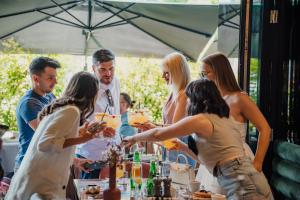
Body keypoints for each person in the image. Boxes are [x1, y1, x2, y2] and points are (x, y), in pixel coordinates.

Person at [123, 79, 272, 199]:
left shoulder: (201, 119)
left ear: (197, 100)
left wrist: (134, 138)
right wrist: (182, 147)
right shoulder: (223, 119)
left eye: (188, 99)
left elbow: (158, 134)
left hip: (242, 181)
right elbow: (208, 162)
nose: (187, 103)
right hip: (248, 177)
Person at [5, 72, 115, 200]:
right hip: (41, 184)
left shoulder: (63, 108)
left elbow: (60, 135)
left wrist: (81, 136)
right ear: (91, 93)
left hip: (38, 181)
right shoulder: (71, 111)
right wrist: (84, 138)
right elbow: (45, 143)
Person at [196, 52, 272, 194]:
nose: (203, 78)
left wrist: (258, 163)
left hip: (238, 160)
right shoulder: (211, 100)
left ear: (219, 72)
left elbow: (265, 129)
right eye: (201, 74)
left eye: (205, 73)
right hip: (214, 163)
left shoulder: (240, 99)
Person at [135, 52, 196, 167]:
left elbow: (175, 129)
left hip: (180, 154)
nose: (163, 77)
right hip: (170, 151)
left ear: (177, 73)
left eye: (166, 73)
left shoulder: (184, 95)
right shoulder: (174, 94)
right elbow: (167, 125)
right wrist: (150, 125)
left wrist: (152, 127)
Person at [76, 49, 121, 179]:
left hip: (112, 154)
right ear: (93, 68)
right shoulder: (85, 88)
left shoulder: (116, 82)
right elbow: (78, 123)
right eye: (102, 69)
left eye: (111, 69)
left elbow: (115, 111)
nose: (108, 74)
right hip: (91, 155)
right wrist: (100, 132)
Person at [14, 57, 60, 172]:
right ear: (35, 78)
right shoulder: (29, 103)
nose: (55, 82)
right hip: (29, 165)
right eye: (50, 78)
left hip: (45, 162)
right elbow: (47, 133)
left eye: (55, 77)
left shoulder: (50, 96)